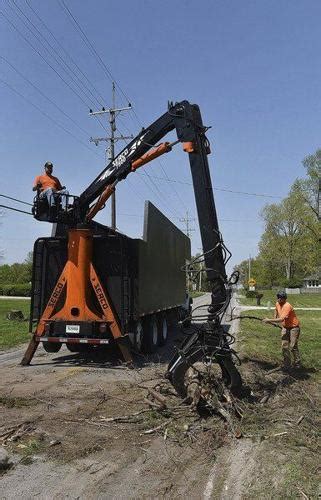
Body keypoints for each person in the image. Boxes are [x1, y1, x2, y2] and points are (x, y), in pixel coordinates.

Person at [263, 291, 301, 369]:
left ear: (285, 299)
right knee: (284, 346)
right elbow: (276, 309)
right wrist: (274, 318)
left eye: (282, 298)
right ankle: (287, 364)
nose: (279, 300)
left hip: (294, 327)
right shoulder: (277, 303)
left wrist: (269, 320)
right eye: (279, 298)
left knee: (293, 346)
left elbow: (281, 319)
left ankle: (297, 363)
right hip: (285, 327)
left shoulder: (287, 306)